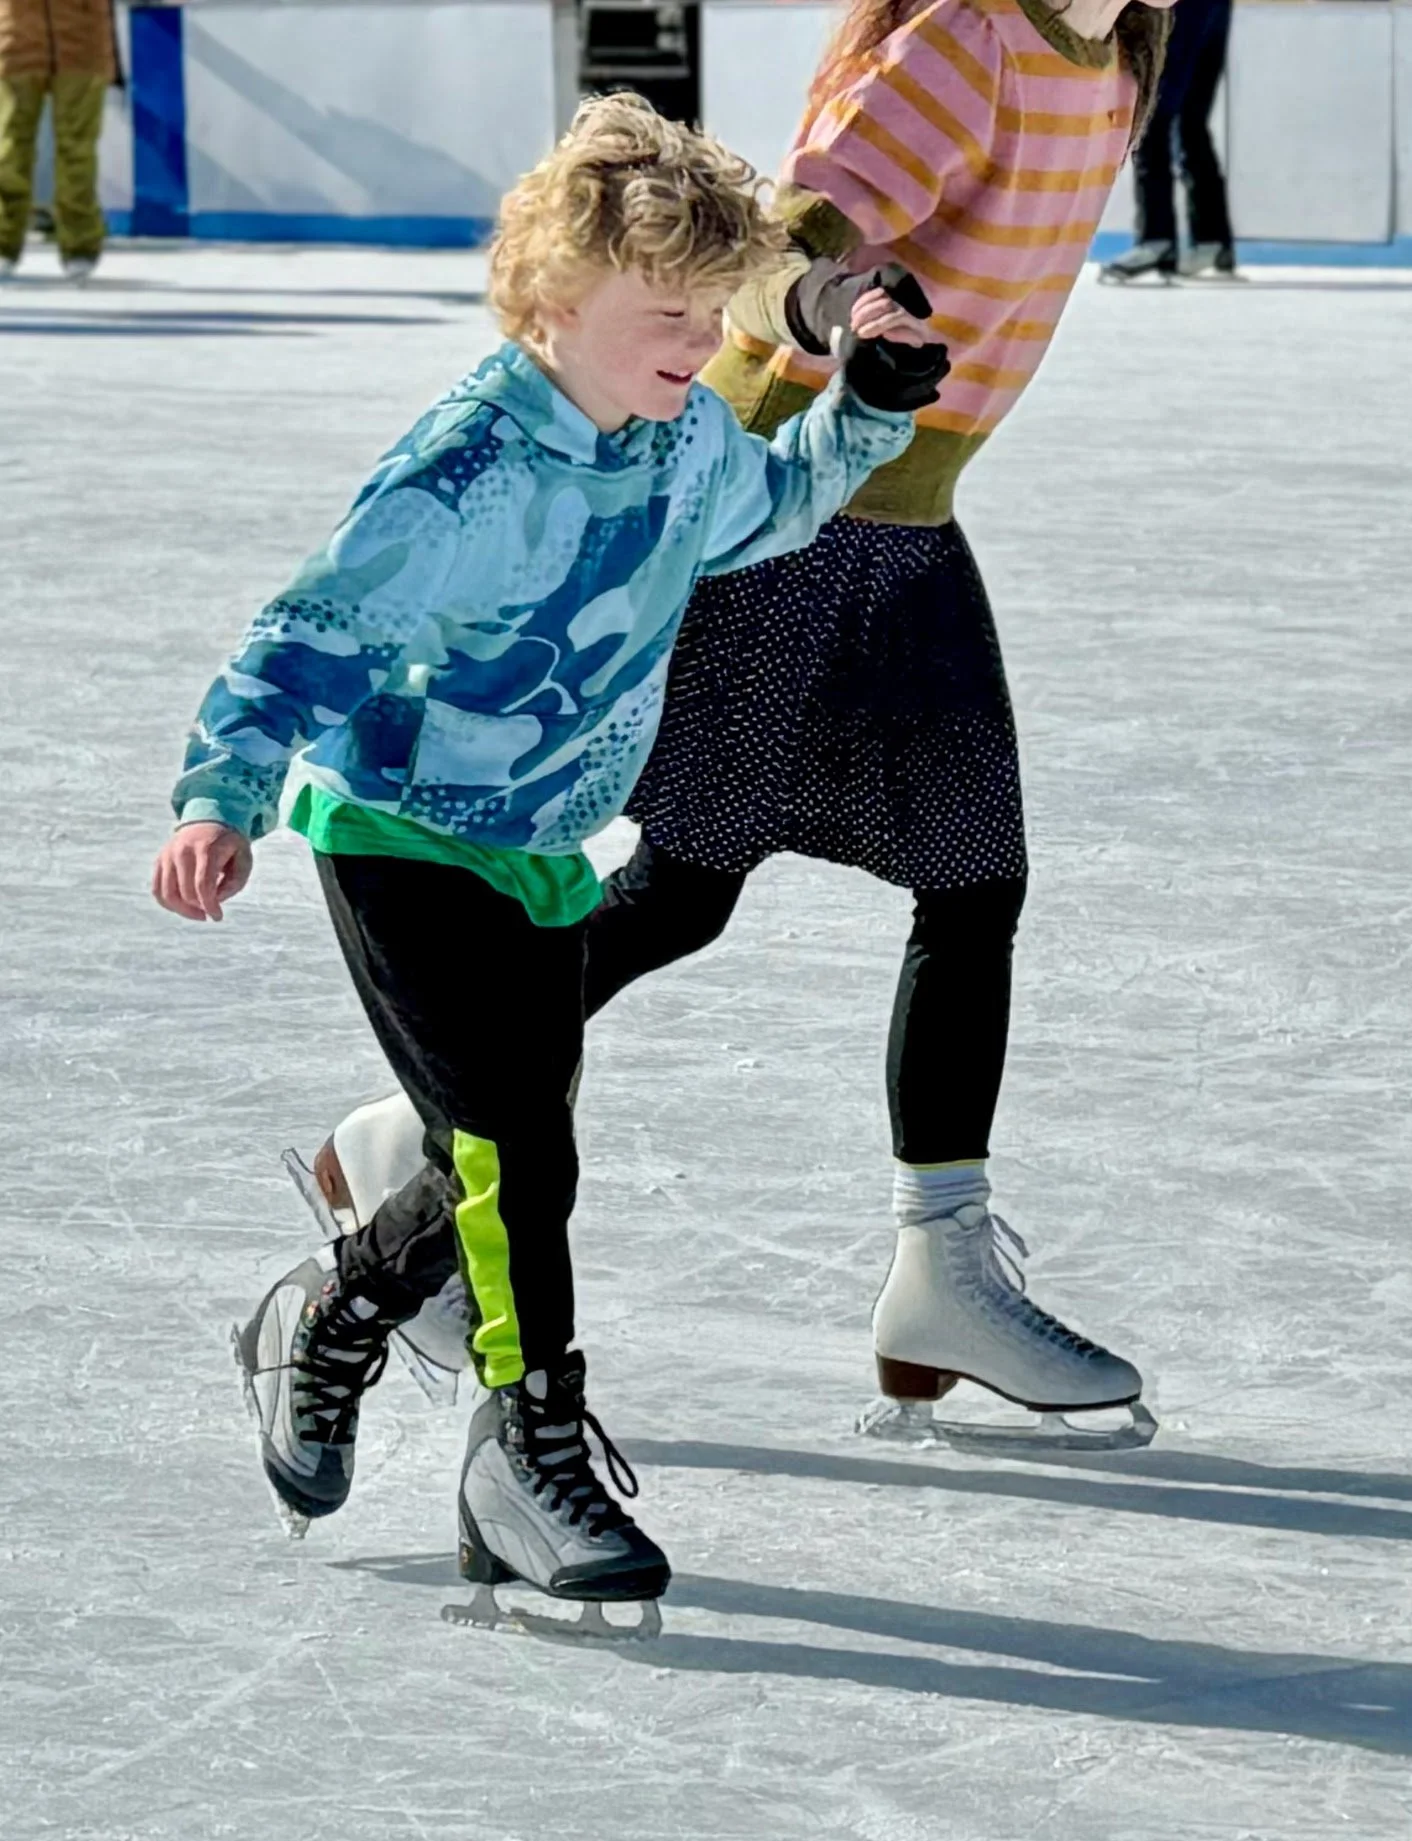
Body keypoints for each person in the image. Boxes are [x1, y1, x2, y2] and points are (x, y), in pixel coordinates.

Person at [305, 0, 1176, 1455]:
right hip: (781, 515)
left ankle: (939, 1266)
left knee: (971, 881)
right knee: (688, 885)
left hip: (901, 530)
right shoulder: (969, 42)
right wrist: (842, 313)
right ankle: (422, 1159)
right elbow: (785, 245)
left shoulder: (1108, 61)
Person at [154, 93, 937, 1635]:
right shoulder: (464, 471)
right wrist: (222, 797)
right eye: (667, 316)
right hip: (399, 832)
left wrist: (867, 405)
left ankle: (332, 1313)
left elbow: (769, 512)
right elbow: (310, 632)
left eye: (715, 317)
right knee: (524, 1149)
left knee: (485, 1164)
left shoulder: (684, 433)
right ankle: (525, 1455)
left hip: (540, 849)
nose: (700, 345)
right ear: (555, 301)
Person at [1101, 0, 1233, 283]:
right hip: (1213, 8)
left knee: (1155, 115)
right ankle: (1213, 241)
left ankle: (1157, 239)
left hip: (1179, 10)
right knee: (1191, 122)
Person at [0, 0, 114, 281]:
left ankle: (81, 246)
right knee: (9, 148)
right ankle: (3, 243)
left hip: (83, 43)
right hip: (14, 42)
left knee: (78, 151)